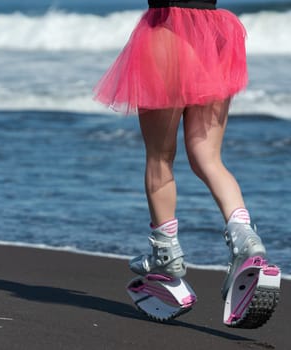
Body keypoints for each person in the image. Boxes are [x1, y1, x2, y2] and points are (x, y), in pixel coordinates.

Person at [94, 0, 268, 303]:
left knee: (160, 157)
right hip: (215, 34)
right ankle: (244, 236)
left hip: (167, 31)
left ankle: (166, 253)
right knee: (209, 157)